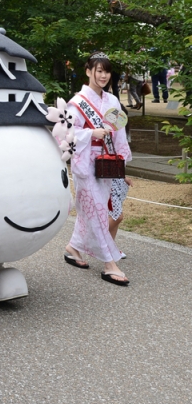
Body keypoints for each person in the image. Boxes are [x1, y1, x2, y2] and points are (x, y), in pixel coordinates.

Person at [64, 51, 132, 286]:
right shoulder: (77, 103)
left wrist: (121, 165)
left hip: (107, 160)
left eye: (107, 71)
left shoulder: (112, 101)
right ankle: (109, 263)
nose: (103, 75)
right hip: (85, 161)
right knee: (96, 211)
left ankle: (73, 247)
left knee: (95, 209)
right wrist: (90, 133)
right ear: (88, 71)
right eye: (99, 70)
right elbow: (66, 134)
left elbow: (119, 133)